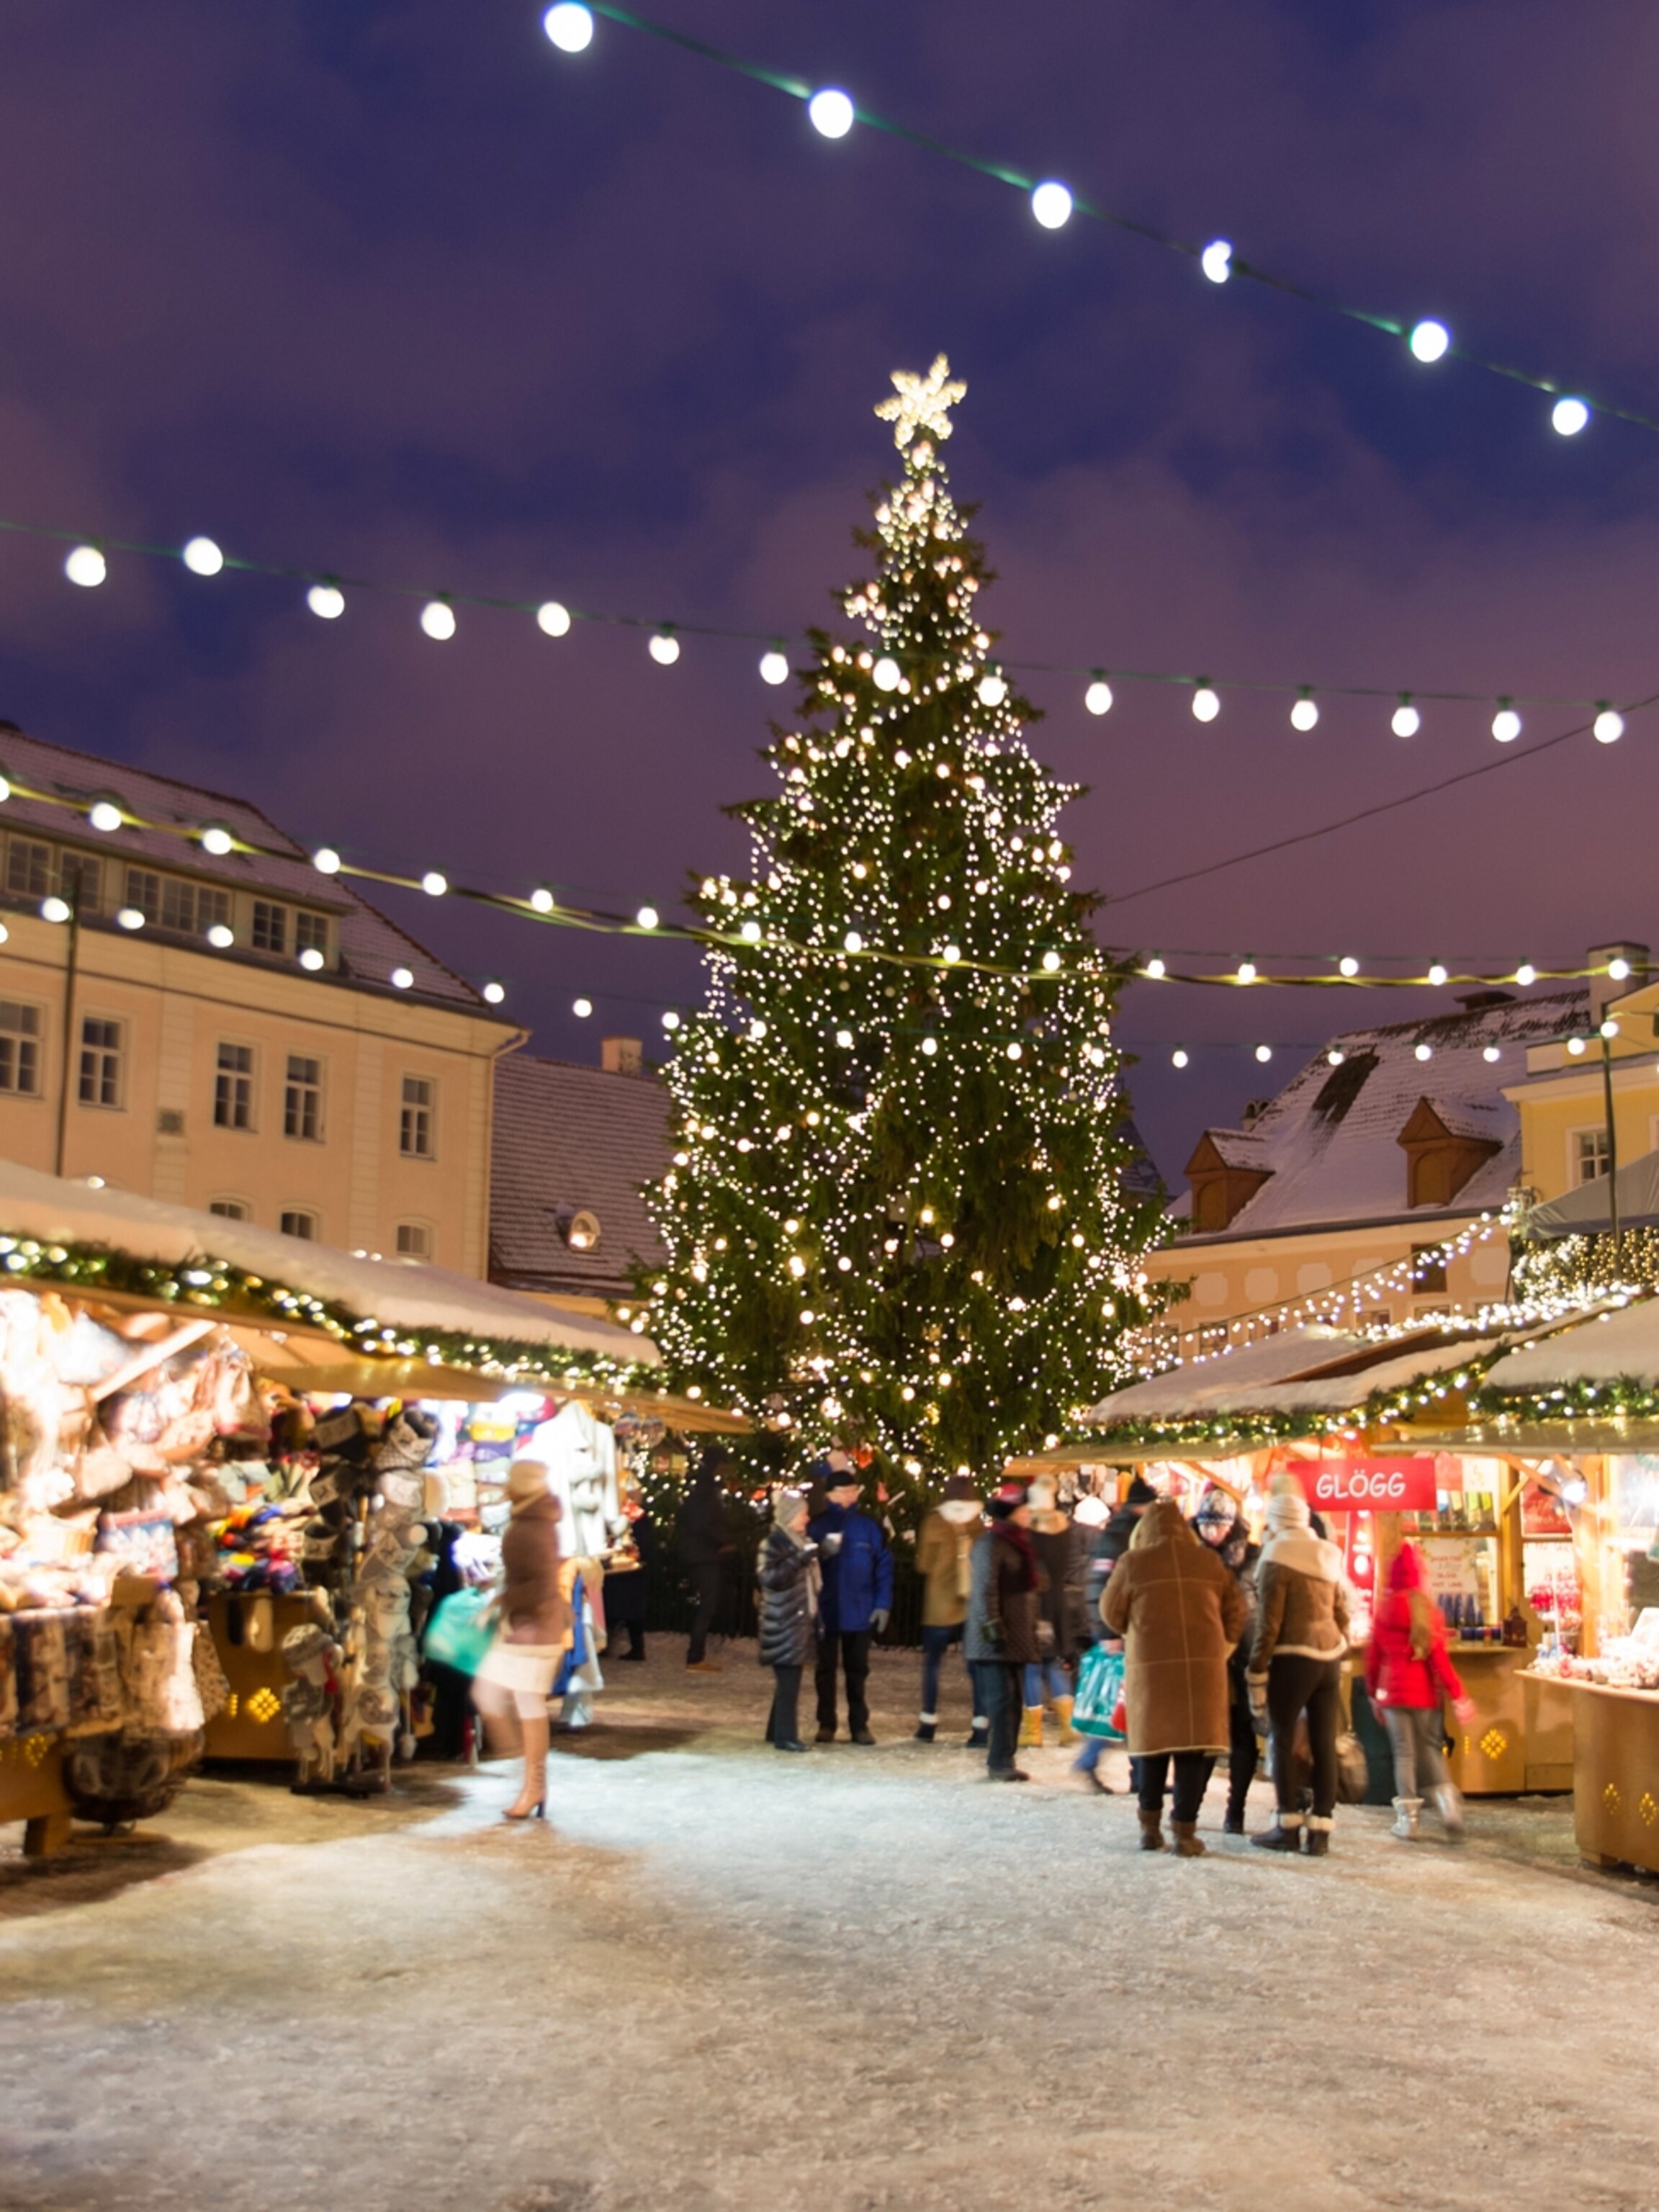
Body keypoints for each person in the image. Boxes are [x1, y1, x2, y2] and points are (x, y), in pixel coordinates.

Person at [1101, 1496, 1249, 1854]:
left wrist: (1134, 1629)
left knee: (1152, 1750)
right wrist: (1223, 1646)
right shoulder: (1209, 1562)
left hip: (1151, 1674)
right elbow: (1237, 1612)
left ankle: (1149, 1830)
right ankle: (1185, 1833)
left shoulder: (1133, 1563)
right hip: (1203, 1672)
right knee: (1192, 1753)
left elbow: (1110, 1613)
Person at [1247, 1473, 1352, 1857]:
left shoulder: (1277, 1558)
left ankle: (1287, 1824)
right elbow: (1342, 1610)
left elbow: (1269, 1625)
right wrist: (1343, 1647)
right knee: (1324, 1742)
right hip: (1329, 1657)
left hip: (1293, 1657)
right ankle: (1320, 1830)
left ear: (1276, 1521)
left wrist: (1256, 1670)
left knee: (1283, 1739)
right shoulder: (1326, 1554)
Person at [471, 1460, 569, 1822]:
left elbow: (540, 1584)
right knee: (524, 1703)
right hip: (532, 1626)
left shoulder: (530, 1526)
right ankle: (532, 1783)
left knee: (495, 1694)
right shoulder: (537, 1520)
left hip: (533, 1629)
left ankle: (528, 1777)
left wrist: (503, 1599)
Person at [1367, 1541, 1476, 1840]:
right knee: (1430, 1751)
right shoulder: (1427, 1610)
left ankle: (1409, 1821)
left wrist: (1372, 1694)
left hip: (1392, 1695)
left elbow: (1373, 1659)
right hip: (1425, 1694)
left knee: (1404, 1754)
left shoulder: (1384, 1610)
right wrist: (1458, 1696)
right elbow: (1440, 1659)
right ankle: (1448, 1806)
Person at [1071, 1474, 1157, 1792]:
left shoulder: (1128, 1533)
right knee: (1116, 1700)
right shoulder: (1118, 1537)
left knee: (1133, 1700)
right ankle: (1091, 1759)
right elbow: (1097, 1587)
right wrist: (1106, 1631)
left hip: (1129, 1628)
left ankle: (1141, 1773)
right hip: (1118, 1631)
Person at [807, 1458, 894, 1743]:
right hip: (827, 1610)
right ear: (831, 1495)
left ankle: (859, 1725)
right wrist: (821, 1553)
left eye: (853, 1491)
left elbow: (883, 1566)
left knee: (858, 1672)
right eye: (844, 1492)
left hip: (859, 1611)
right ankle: (826, 1723)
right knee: (825, 1671)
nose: (850, 1496)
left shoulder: (867, 1527)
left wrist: (882, 1604)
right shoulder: (817, 1526)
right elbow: (802, 1565)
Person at [1192, 1486, 1262, 1835]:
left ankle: (1236, 1810)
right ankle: (1191, 1807)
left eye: (1218, 1526)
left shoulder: (1252, 1557)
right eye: (1206, 1526)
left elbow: (1259, 1607)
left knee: (1242, 1736)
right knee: (1204, 1737)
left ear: (1232, 1525)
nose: (1212, 1533)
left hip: (1244, 1658)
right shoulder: (1192, 1555)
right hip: (1207, 1657)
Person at [963, 1483, 1041, 1781]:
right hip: (993, 1639)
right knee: (1001, 1700)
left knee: (1013, 1700)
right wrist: (993, 1629)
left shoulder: (1019, 1542)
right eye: (1025, 1510)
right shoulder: (990, 1544)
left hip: (1016, 1637)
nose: (1029, 1515)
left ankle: (1006, 1758)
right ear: (1013, 1512)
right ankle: (999, 1762)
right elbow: (985, 1591)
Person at [914, 1475, 981, 1742]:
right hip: (970, 1603)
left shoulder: (934, 1522)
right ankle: (980, 1723)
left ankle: (928, 1721)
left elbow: (924, 1565)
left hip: (939, 1605)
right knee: (975, 1667)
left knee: (932, 1664)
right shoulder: (977, 1524)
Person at [757, 1488, 820, 1753]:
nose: (807, 1519)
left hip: (792, 1619)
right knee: (788, 1680)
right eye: (803, 1514)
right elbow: (769, 1579)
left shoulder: (798, 1540)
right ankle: (786, 1737)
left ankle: (777, 1731)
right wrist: (801, 1558)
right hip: (782, 1621)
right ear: (791, 1516)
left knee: (788, 1679)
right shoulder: (774, 1543)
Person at [1023, 1478, 1084, 1748]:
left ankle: (1032, 1732)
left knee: (1032, 1666)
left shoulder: (1031, 1530)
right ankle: (1069, 1727)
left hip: (1035, 1603)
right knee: (1054, 1664)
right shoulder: (1064, 1528)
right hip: (1058, 1603)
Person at [678, 1446, 733, 1672]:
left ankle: (696, 1655)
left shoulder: (700, 1487)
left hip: (697, 1551)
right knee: (708, 1606)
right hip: (704, 1554)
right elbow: (706, 1524)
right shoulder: (707, 1490)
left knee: (707, 1605)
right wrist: (723, 1542)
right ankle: (695, 1656)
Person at [603, 1485, 653, 1662]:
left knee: (612, 1608)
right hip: (632, 1567)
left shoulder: (622, 1515)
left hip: (623, 1567)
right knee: (632, 1612)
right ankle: (636, 1647)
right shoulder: (638, 1516)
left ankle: (607, 1645)